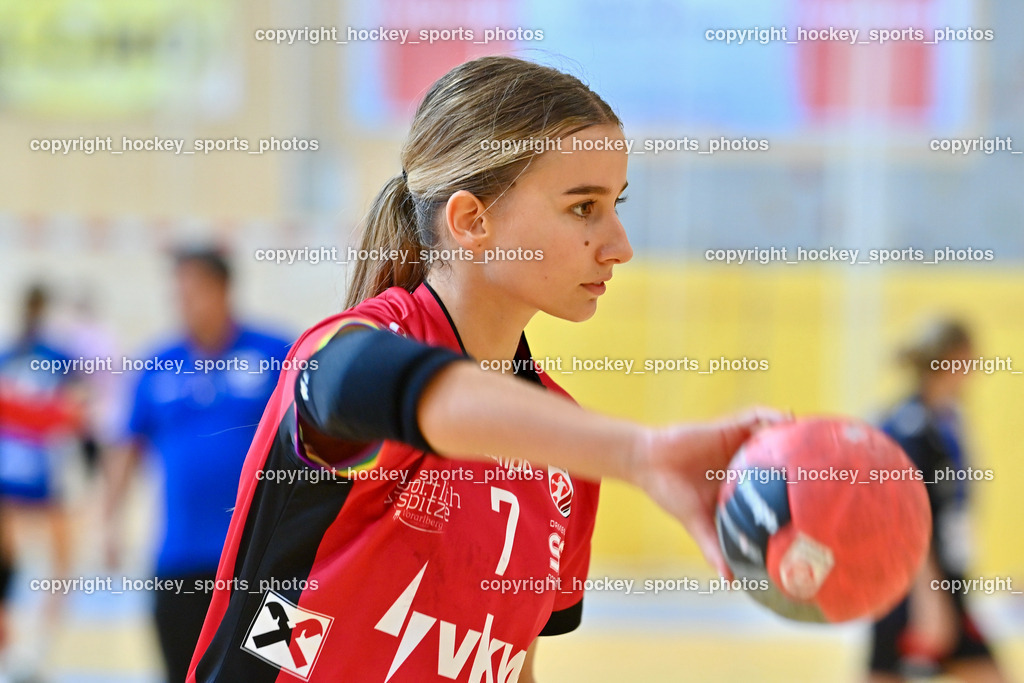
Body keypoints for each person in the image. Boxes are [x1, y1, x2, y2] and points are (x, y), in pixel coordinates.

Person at [186, 56, 785, 683]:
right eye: (584, 208)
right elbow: (391, 385)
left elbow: (512, 663)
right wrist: (641, 453)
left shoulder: (560, 438)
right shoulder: (356, 345)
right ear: (473, 221)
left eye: (616, 204)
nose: (619, 244)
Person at [103, 247, 290, 683]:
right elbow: (126, 449)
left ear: (222, 289)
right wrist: (108, 521)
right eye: (178, 292)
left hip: (266, 562)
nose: (183, 301)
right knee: (182, 674)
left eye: (193, 290)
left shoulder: (278, 352)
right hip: (180, 562)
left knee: (277, 675)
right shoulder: (157, 362)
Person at [868, 319, 1007, 683]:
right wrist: (929, 595)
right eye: (968, 360)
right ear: (949, 360)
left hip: (947, 582)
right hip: (916, 586)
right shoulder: (908, 428)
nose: (973, 371)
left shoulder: (945, 421)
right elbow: (902, 518)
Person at [0, 283, 84, 681]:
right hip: (43, 475)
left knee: (16, 565)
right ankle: (32, 649)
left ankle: (22, 651)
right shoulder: (55, 357)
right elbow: (72, 413)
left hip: (16, 475)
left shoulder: (12, 353)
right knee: (58, 563)